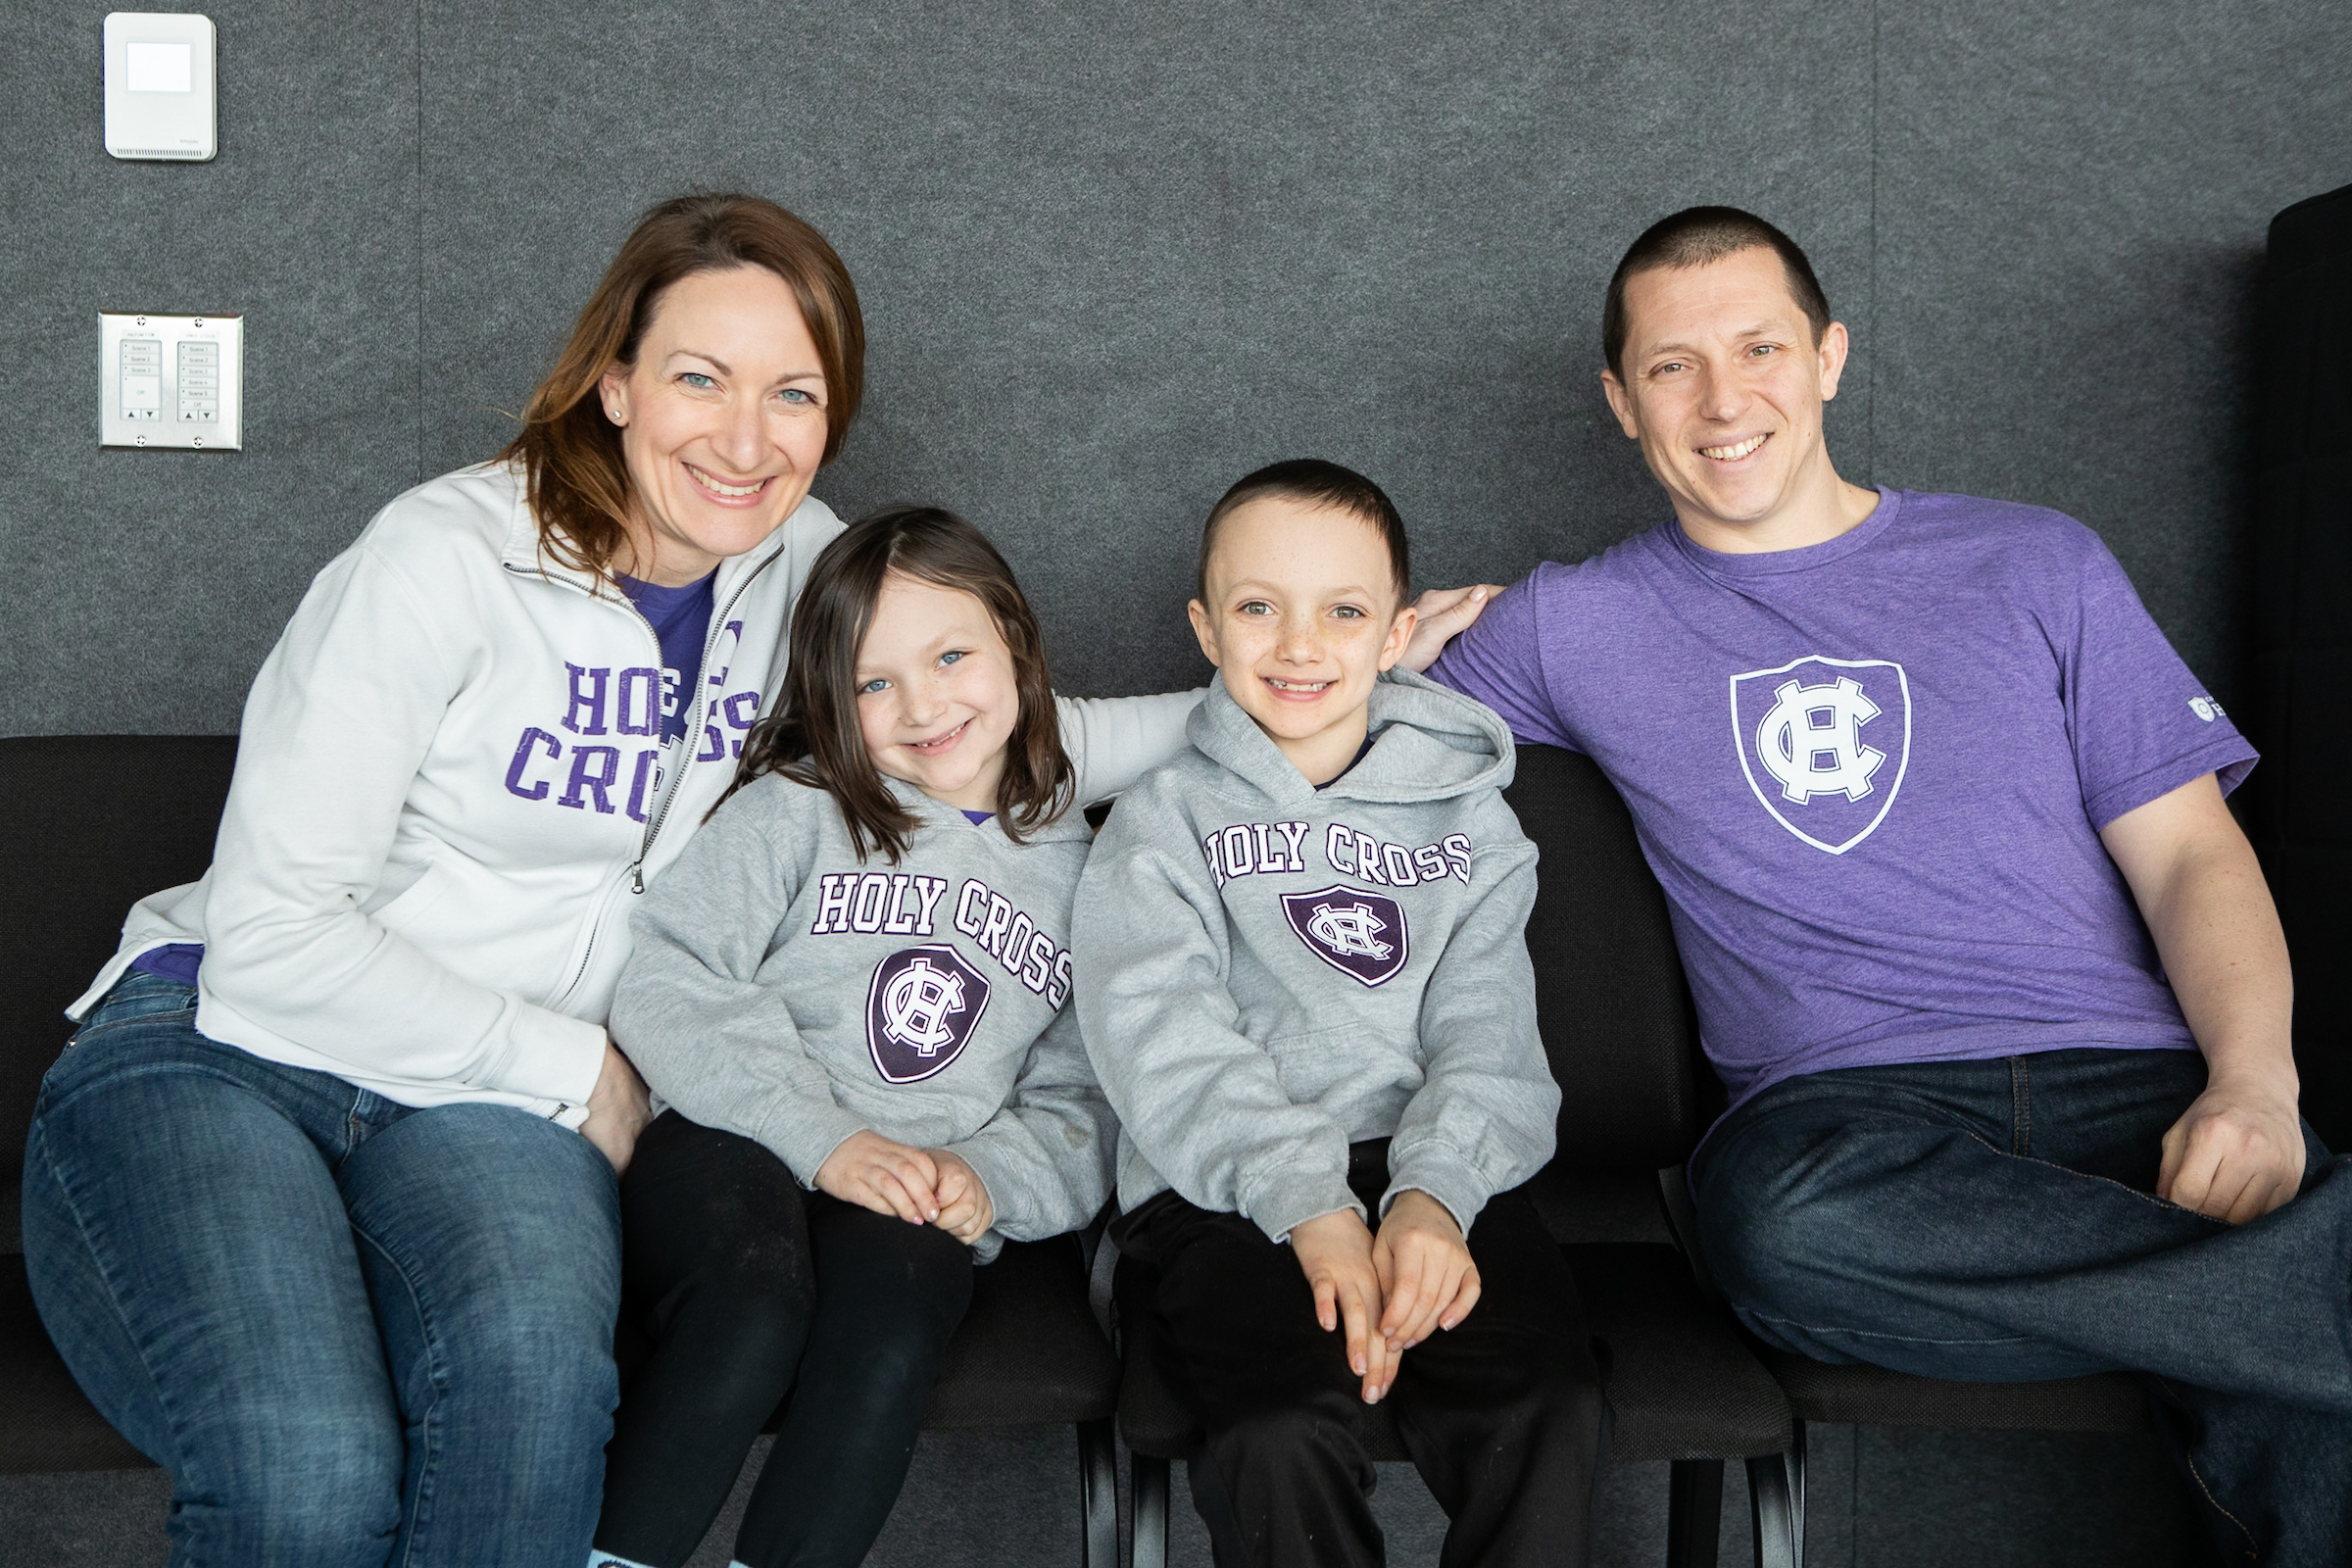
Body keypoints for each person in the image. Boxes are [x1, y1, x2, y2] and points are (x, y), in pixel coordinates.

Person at [17, 193, 1234, 1568]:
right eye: (698, 379)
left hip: (488, 1111)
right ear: (614, 384)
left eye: (793, 393)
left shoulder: (800, 571)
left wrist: (1300, 684)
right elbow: (270, 940)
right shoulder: (439, 559)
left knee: (535, 1410)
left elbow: (1002, 730)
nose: (743, 438)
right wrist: (578, 1068)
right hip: (228, 1048)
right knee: (312, 1469)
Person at [1427, 205, 2347, 1566]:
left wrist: (2255, 1085)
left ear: (1832, 357)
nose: (1723, 398)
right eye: (1673, 366)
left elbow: (2195, 854)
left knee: (2295, 1351)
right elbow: (1300, 709)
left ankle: (2282, 1308)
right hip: (1846, 1128)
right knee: (1776, 1231)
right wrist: (1353, 620)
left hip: (2132, 1092)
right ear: (1620, 403)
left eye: (1761, 347)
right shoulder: (1574, 624)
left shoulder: (2037, 562)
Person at [1075, 461, 1605, 1568]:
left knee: (1548, 1408)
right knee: (1277, 1434)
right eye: (1259, 607)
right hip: (1219, 1190)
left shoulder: (1474, 823)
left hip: (1434, 1170)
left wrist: (1436, 1199)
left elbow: (1487, 1034)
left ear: (1395, 633)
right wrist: (1307, 1204)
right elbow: (1163, 1041)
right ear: (1205, 629)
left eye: (1344, 612)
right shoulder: (1161, 822)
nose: (1300, 644)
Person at [586, 506, 1118, 1568]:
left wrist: (987, 1176)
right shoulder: (799, 807)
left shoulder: (1092, 876)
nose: (923, 705)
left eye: (952, 655)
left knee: (886, 1334)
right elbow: (665, 979)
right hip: (737, 1138)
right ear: (833, 699)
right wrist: (826, 1139)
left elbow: (1086, 1106)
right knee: (753, 1300)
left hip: (924, 1177)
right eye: (875, 684)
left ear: (1014, 639)